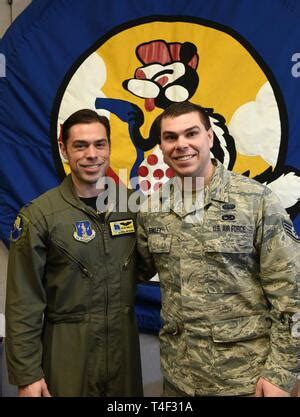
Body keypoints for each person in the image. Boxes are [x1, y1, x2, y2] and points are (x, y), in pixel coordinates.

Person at [137, 101, 299, 397]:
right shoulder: (152, 208)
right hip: (179, 379)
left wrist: (280, 375)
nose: (181, 145)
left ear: (209, 137)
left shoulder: (256, 201)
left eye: (191, 133)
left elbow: (292, 297)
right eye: (170, 137)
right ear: (160, 145)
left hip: (246, 381)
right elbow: (131, 269)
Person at [5, 109, 143, 397]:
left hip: (123, 351)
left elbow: (151, 264)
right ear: (64, 149)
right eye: (80, 145)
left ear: (109, 147)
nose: (92, 154)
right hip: (67, 352)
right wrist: (27, 375)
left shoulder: (133, 206)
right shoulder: (41, 215)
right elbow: (23, 302)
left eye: (99, 144)